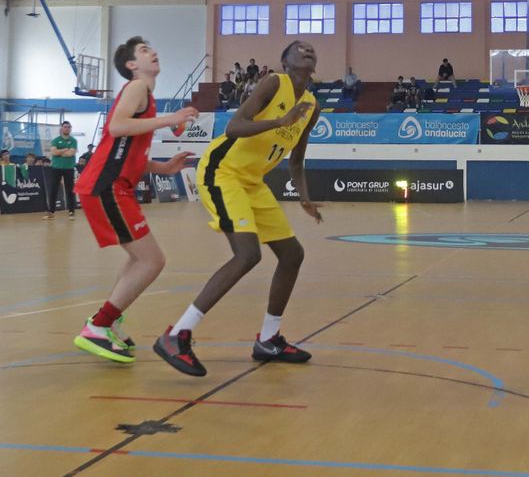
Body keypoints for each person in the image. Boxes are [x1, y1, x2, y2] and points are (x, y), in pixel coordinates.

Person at [156, 40, 323, 377]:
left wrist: (304, 197)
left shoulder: (312, 104)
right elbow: (234, 127)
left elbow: (297, 160)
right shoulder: (274, 82)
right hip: (223, 171)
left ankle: (269, 339)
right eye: (299, 47)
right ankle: (177, 335)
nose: (307, 49)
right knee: (248, 254)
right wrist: (279, 121)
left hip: (252, 181)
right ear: (285, 60)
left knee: (292, 254)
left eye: (311, 48)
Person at [73, 37, 198, 363]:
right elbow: (116, 127)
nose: (152, 52)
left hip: (115, 186)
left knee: (138, 259)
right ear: (131, 65)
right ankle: (98, 326)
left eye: (151, 48)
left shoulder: (146, 96)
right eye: (144, 50)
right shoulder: (137, 87)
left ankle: (108, 322)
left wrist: (163, 168)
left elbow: (128, 152)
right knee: (151, 261)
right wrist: (170, 120)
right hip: (107, 186)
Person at [47, 120, 79, 220]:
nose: (67, 128)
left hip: (69, 168)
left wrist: (59, 152)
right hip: (56, 168)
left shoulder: (73, 140)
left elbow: (71, 153)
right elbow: (53, 152)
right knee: (53, 190)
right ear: (61, 128)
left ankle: (71, 212)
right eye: (65, 127)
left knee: (70, 191)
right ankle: (51, 212)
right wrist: (65, 149)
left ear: (70, 128)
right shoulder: (56, 140)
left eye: (69, 127)